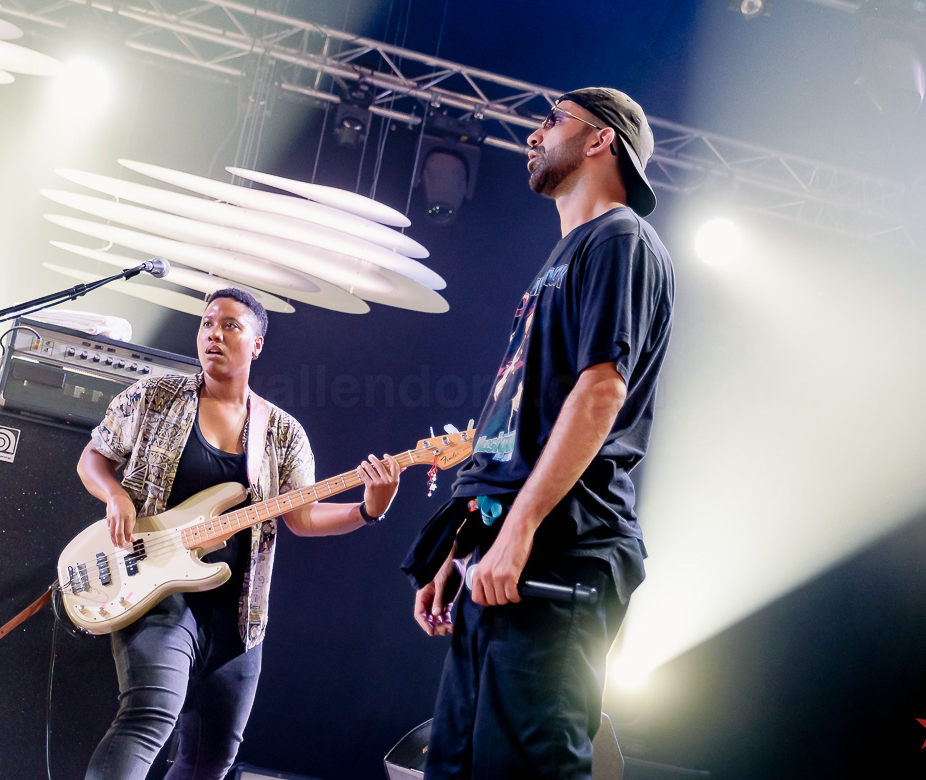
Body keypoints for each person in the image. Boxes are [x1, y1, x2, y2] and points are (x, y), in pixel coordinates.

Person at [403, 87, 675, 778]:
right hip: (504, 554)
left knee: (526, 767)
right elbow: (518, 423)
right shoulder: (562, 258)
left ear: (600, 139)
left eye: (552, 120)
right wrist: (465, 544)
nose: (533, 134)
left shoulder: (620, 239)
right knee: (457, 767)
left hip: (562, 550)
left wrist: (520, 528)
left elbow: (601, 390)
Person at [77, 288, 401, 780]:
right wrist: (116, 496)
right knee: (150, 715)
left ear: (257, 344)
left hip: (238, 612)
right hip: (155, 592)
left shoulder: (283, 433)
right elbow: (93, 458)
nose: (215, 334)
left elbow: (303, 518)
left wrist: (368, 509)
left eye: (231, 325)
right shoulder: (155, 396)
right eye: (208, 323)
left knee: (211, 758)